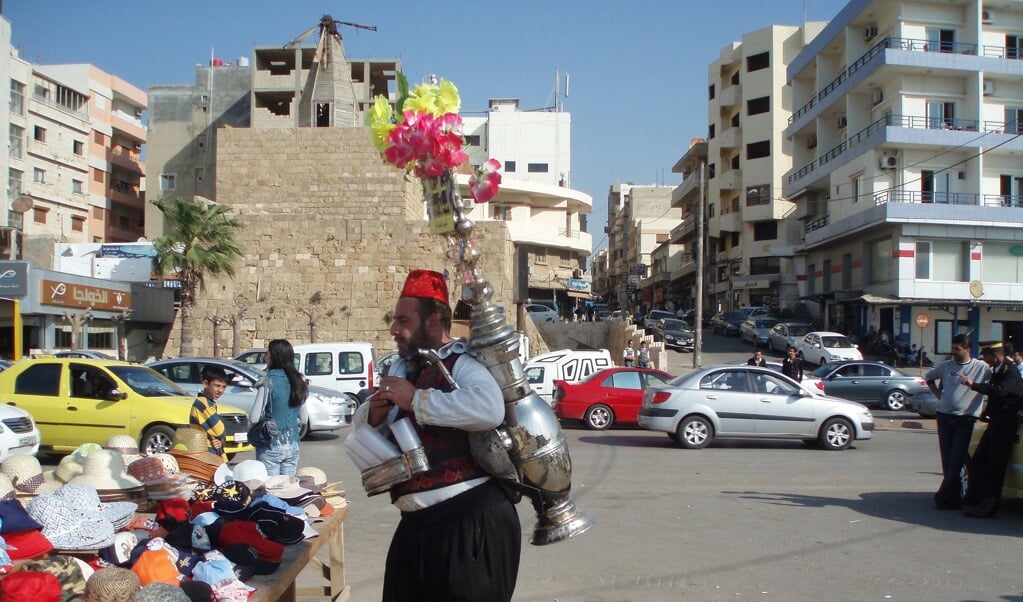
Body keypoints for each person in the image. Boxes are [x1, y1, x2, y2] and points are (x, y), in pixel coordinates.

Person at [357, 269, 520, 601]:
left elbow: (489, 409)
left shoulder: (462, 363)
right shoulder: (401, 368)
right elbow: (368, 427)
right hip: (416, 531)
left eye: (403, 320)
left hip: (470, 528)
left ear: (432, 321)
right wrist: (373, 415)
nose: (394, 329)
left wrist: (415, 400)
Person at [925, 334, 991, 510]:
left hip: (965, 418)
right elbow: (929, 377)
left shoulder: (981, 367)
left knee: (956, 459)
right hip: (945, 417)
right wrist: (939, 396)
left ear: (968, 349)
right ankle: (952, 498)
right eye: (952, 348)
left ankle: (942, 496)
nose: (954, 352)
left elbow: (992, 385)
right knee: (947, 460)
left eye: (957, 349)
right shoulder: (946, 366)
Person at [957, 341, 1023, 518]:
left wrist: (973, 384)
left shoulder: (1011, 371)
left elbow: (999, 391)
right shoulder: (999, 369)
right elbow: (997, 398)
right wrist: (986, 412)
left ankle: (989, 507)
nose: (984, 360)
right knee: (978, 461)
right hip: (995, 423)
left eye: (986, 356)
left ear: (995, 355)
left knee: (995, 468)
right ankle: (981, 499)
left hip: (1005, 427)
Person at [254, 339, 308, 476]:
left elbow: (253, 418)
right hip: (292, 443)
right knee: (287, 490)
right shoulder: (298, 381)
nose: (265, 356)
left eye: (268, 353)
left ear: (274, 356)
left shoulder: (267, 381)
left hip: (271, 444)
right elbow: (304, 418)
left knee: (271, 490)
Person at [189, 365, 230, 462]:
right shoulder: (202, 404)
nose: (220, 390)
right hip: (205, 453)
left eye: (223, 387)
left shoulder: (209, 402)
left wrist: (220, 441)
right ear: (205, 383)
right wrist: (220, 437)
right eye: (217, 386)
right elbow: (219, 431)